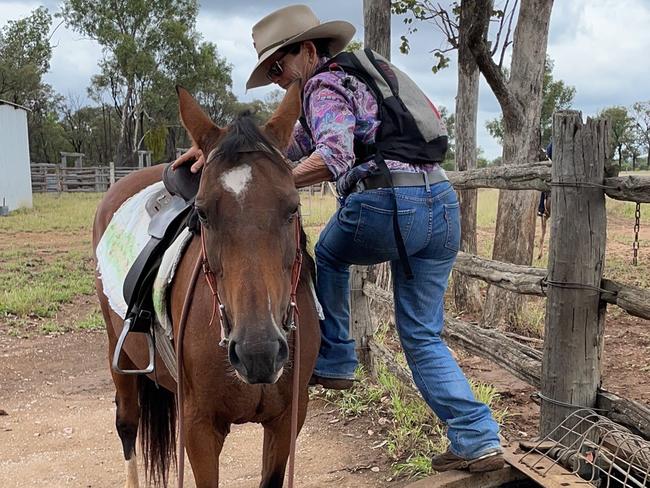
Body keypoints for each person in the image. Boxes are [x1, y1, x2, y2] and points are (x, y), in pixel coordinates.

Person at [173, 4, 504, 473]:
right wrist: (219, 146)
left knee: (324, 255)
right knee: (423, 335)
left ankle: (333, 357)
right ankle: (478, 439)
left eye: (278, 67)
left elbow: (334, 154)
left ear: (307, 52)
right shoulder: (363, 77)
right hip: (441, 206)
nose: (276, 79)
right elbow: (285, 143)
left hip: (387, 205)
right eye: (270, 72)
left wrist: (278, 180)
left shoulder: (323, 85)